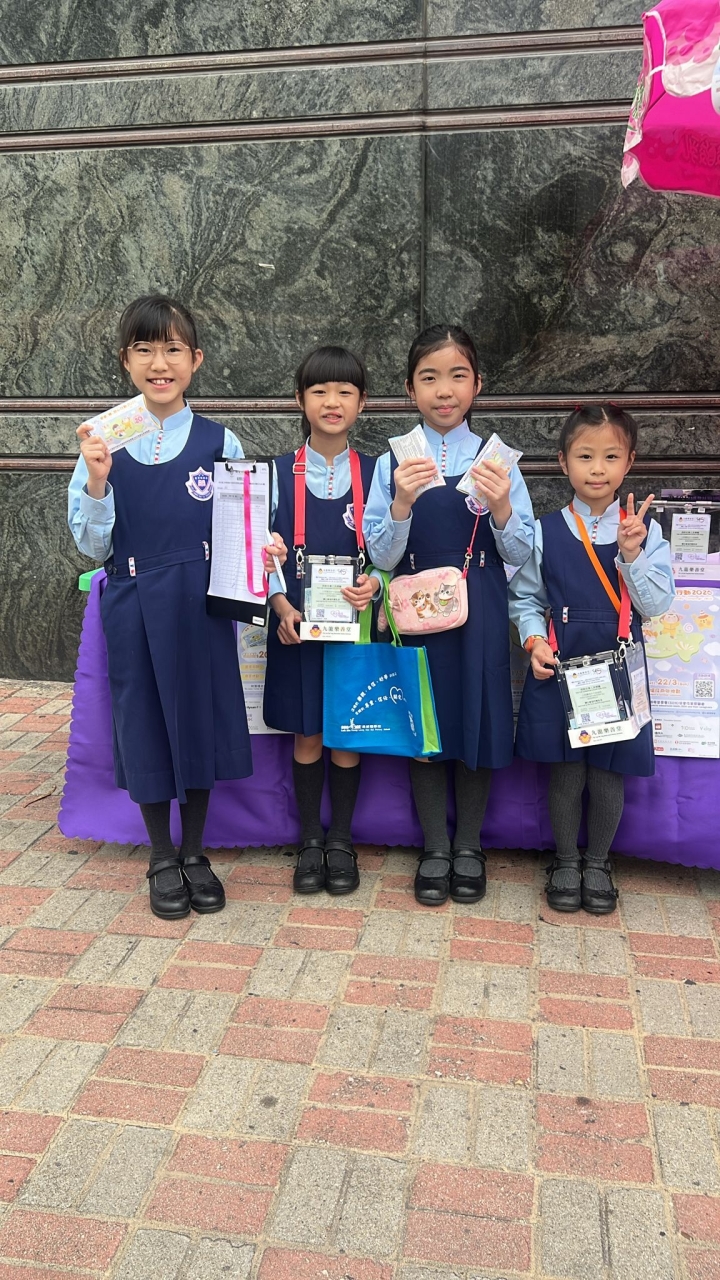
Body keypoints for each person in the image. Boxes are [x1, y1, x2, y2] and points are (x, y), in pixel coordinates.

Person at [68, 294, 286, 920]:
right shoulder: (102, 442)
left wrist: (266, 545)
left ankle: (194, 852)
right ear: (125, 361)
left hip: (200, 601)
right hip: (134, 598)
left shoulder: (221, 440)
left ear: (195, 360)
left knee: (198, 718)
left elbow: (249, 523)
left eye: (172, 350)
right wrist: (98, 480)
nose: (158, 364)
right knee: (143, 720)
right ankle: (161, 856)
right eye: (144, 350)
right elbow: (91, 544)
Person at [363, 325, 535, 906]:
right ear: (410, 389)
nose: (444, 390)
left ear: (477, 384)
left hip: (479, 605)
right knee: (425, 723)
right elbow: (381, 554)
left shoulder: (496, 462)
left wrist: (503, 505)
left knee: (477, 719)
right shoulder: (392, 462)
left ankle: (469, 846)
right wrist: (401, 503)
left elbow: (521, 552)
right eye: (429, 377)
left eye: (458, 376)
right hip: (415, 607)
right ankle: (435, 846)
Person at [509, 404, 675, 914]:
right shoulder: (544, 530)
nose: (597, 469)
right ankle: (564, 860)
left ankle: (598, 862)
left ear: (629, 462)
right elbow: (525, 598)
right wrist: (534, 641)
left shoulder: (645, 533)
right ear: (563, 462)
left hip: (617, 667)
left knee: (607, 773)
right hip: (564, 666)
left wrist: (632, 556)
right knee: (566, 771)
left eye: (610, 456)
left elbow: (656, 605)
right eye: (585, 456)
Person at [264, 346, 379, 896]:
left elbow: (391, 551)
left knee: (347, 734)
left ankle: (342, 841)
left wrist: (375, 583)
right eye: (319, 391)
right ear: (299, 400)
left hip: (355, 627)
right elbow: (257, 555)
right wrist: (280, 604)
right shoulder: (274, 474)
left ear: (363, 403)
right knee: (308, 734)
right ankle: (311, 839)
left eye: (345, 392)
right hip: (297, 627)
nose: (332, 402)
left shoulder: (379, 473)